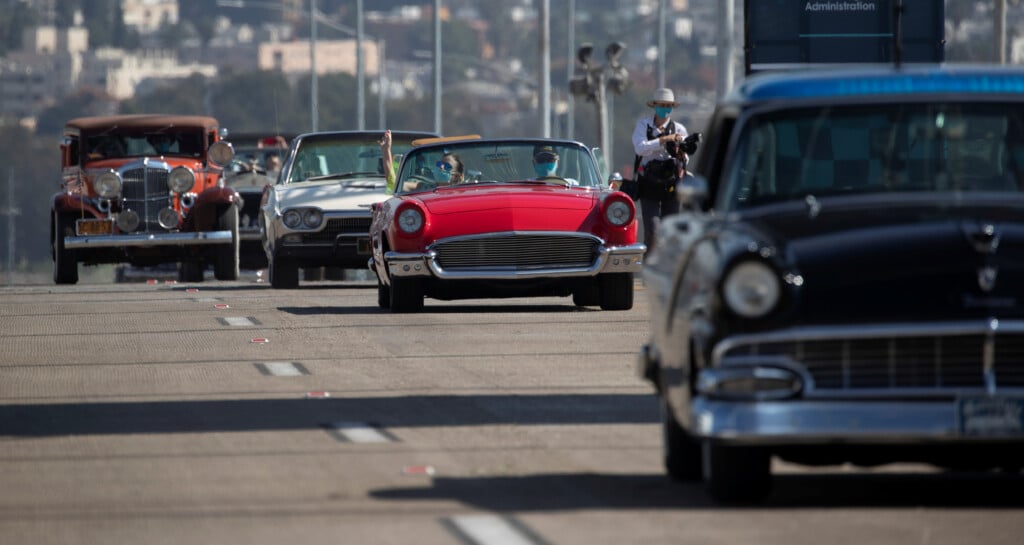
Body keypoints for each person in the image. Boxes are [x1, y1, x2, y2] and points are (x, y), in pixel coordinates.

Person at [632, 87, 689, 255]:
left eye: (668, 105)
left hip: (671, 185)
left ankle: (667, 266)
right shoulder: (643, 125)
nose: (665, 108)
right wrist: (663, 140)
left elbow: (686, 158)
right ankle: (649, 263)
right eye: (661, 105)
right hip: (649, 184)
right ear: (654, 106)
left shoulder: (679, 129)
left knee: (671, 230)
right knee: (653, 230)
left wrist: (679, 149)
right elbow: (640, 148)